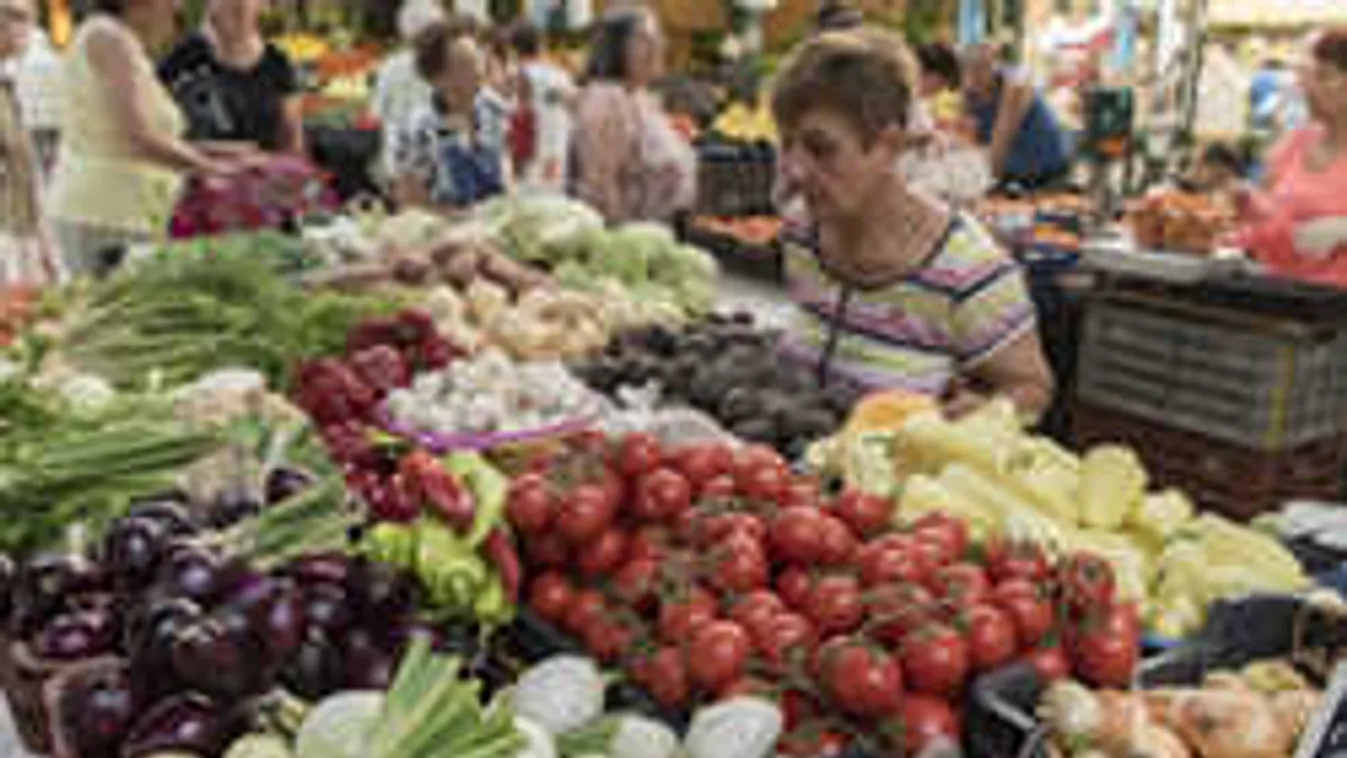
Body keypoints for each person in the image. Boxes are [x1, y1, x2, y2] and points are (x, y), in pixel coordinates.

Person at [771, 27, 1053, 421]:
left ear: (888, 145)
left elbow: (1031, 389)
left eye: (822, 149)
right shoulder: (801, 232)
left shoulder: (968, 271)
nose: (795, 171)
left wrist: (983, 414)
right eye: (787, 144)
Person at [47, 0, 236, 275]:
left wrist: (219, 152)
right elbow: (137, 138)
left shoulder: (115, 38)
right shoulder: (111, 39)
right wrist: (212, 169)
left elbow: (130, 134)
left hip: (117, 210)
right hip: (106, 212)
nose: (177, 7)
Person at [1237, 29, 1347, 288]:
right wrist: (1249, 208)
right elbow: (1266, 226)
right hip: (1283, 301)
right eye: (1309, 77)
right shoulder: (1294, 146)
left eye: (1325, 76)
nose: (1308, 87)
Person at [571, 8, 695, 223]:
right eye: (644, 40)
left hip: (654, 233)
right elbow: (600, 189)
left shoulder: (640, 97)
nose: (657, 47)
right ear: (615, 48)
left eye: (658, 38)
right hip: (627, 240)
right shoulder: (607, 99)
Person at [390, 17, 508, 210]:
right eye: (466, 65)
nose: (479, 71)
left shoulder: (496, 110)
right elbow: (411, 200)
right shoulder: (417, 127)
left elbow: (510, 179)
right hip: (442, 233)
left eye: (478, 60)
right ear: (437, 78)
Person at [159, 0, 303, 153]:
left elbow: (292, 144)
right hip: (195, 170)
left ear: (262, 6)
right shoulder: (181, 61)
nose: (238, 11)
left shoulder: (277, 64)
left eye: (245, 6)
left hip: (265, 172)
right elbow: (154, 137)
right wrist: (226, 152)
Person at [0, 0, 61, 287]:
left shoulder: (9, 83)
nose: (31, 29)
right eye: (20, 19)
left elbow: (26, 167)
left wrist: (43, 245)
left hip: (20, 234)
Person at [962, 42, 1072, 190]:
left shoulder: (1014, 84)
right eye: (969, 71)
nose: (974, 78)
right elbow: (972, 143)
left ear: (994, 64)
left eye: (981, 68)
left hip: (1042, 171)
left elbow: (1000, 145)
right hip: (1012, 171)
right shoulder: (970, 95)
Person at [373, 0, 446, 176]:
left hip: (398, 156)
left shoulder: (389, 66)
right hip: (436, 156)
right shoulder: (445, 65)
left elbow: (376, 113)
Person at [508, 22, 575, 193]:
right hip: (561, 157)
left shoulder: (520, 75)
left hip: (533, 162)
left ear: (513, 49)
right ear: (540, 45)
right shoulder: (562, 75)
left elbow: (519, 122)